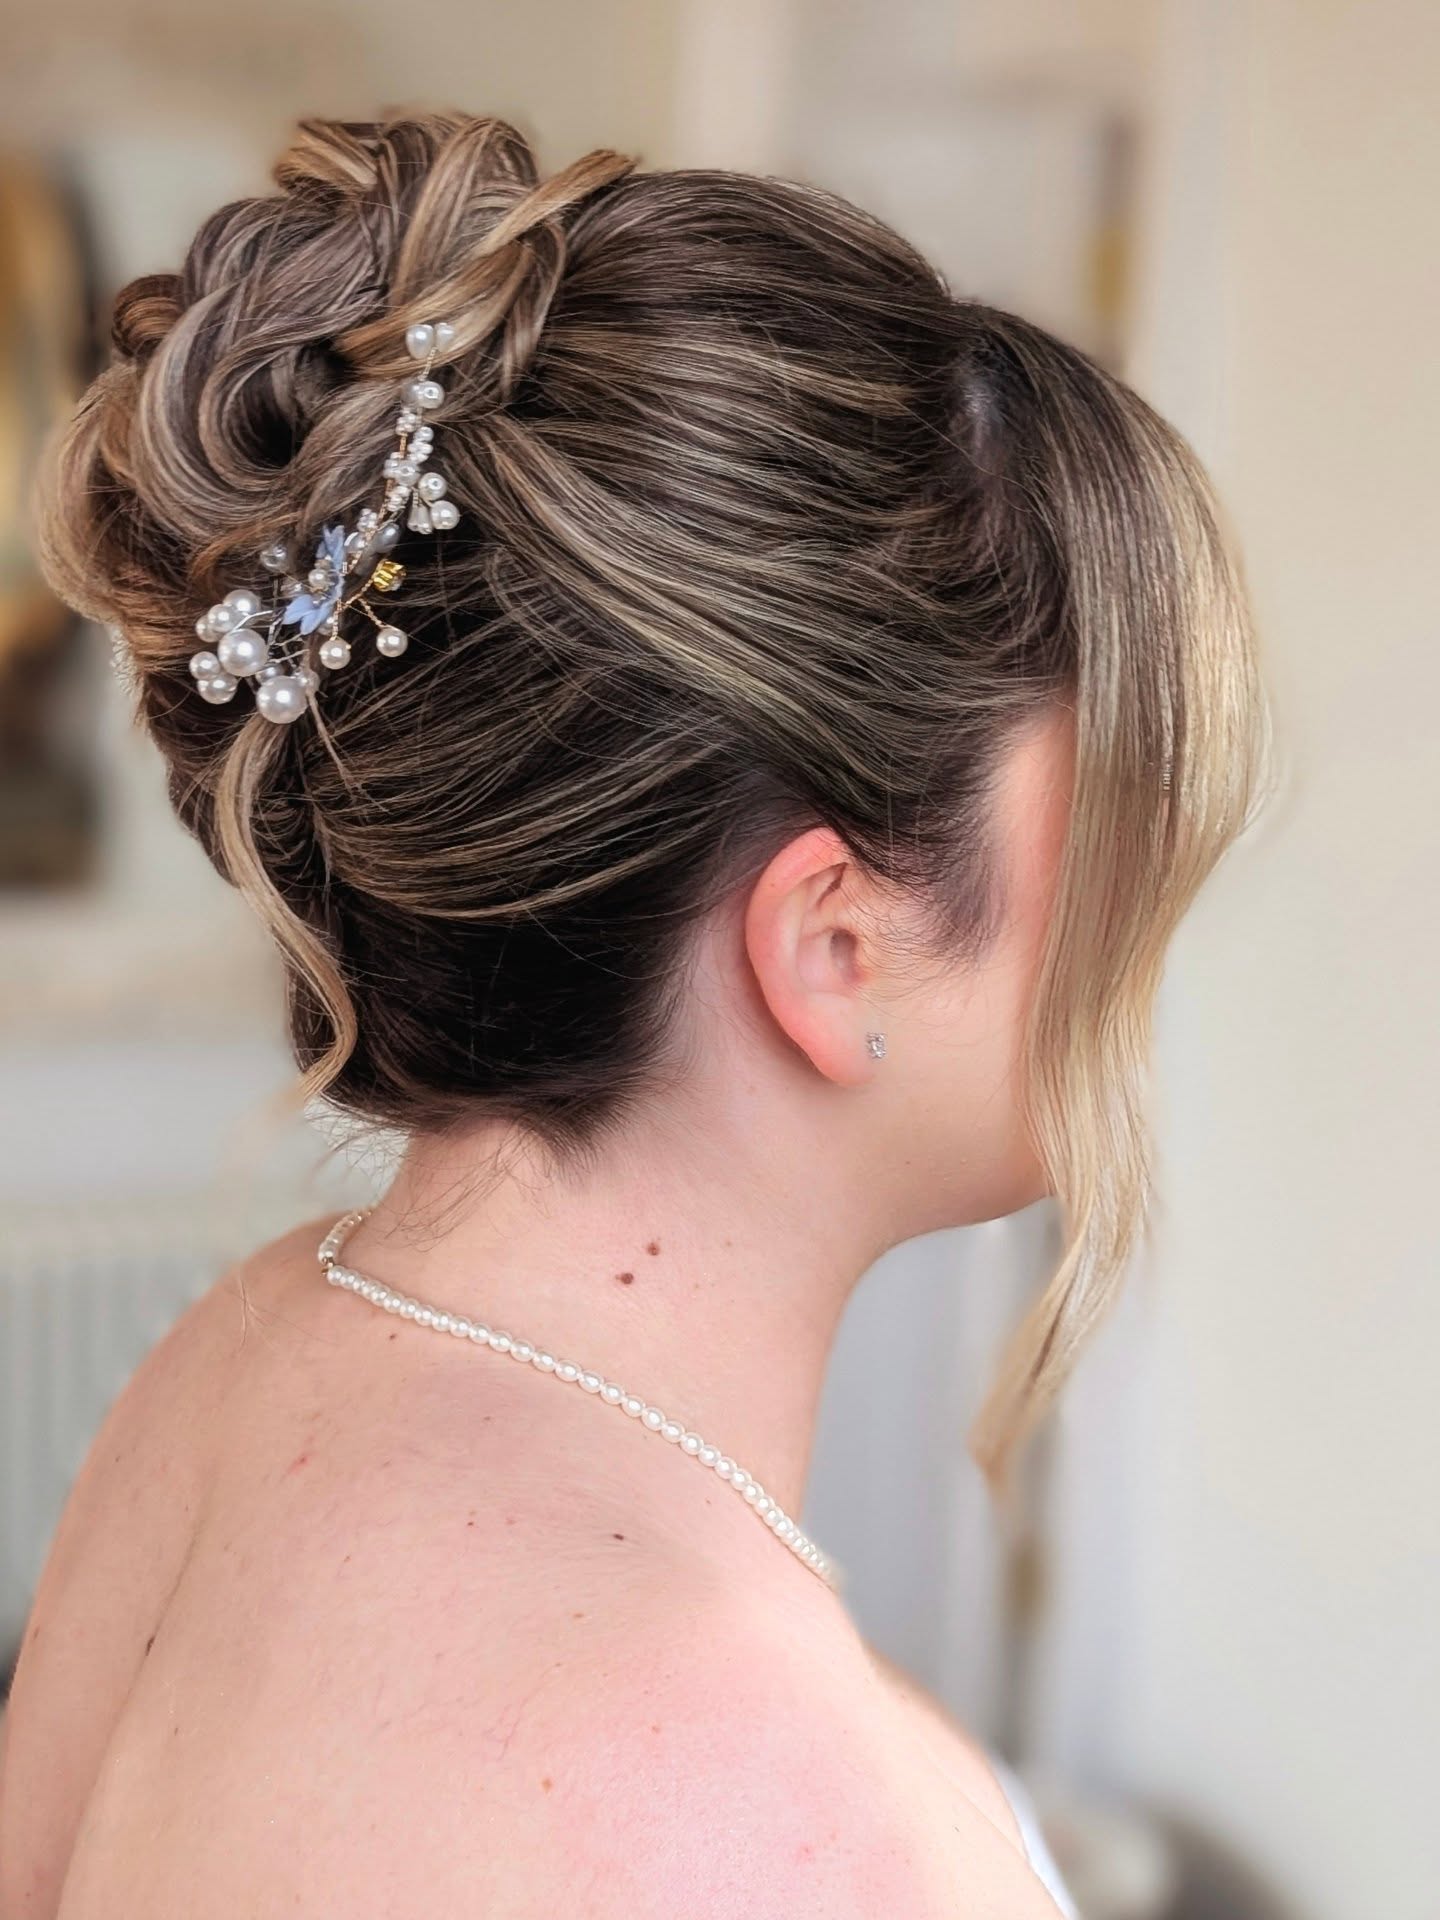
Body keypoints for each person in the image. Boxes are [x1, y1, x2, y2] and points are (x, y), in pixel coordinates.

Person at [0, 111, 1266, 1917]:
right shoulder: (802, 1825)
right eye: (1122, 835)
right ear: (832, 947)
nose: (1150, 917)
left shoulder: (240, 1370)